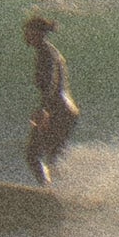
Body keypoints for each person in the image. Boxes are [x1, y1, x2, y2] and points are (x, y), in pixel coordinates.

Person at [23, 15, 80, 183]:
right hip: (65, 110)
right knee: (53, 156)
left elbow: (51, 83)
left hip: (59, 110)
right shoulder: (48, 51)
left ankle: (48, 191)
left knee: (33, 154)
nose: (25, 35)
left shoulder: (46, 53)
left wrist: (44, 110)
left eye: (28, 32)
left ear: (38, 33)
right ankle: (63, 190)